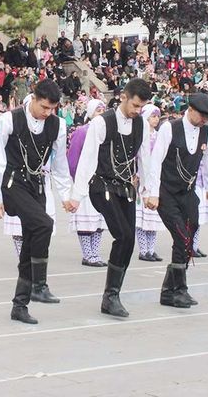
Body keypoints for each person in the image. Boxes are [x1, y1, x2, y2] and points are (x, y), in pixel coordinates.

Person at [0, 79, 74, 325]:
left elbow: (59, 164)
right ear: (33, 98)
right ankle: (40, 284)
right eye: (44, 107)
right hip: (13, 184)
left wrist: (65, 195)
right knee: (44, 225)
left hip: (37, 186)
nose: (47, 113)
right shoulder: (10, 119)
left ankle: (20, 305)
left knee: (30, 245)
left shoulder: (57, 125)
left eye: (52, 109)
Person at [70, 78, 153, 318]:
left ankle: (113, 293)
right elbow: (87, 159)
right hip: (102, 185)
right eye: (135, 105)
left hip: (126, 187)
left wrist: (149, 191)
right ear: (124, 97)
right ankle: (111, 296)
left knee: (129, 241)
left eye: (142, 107)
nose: (138, 111)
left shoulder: (142, 125)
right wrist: (77, 195)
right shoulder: (101, 122)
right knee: (124, 235)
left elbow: (144, 159)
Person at [145, 93, 208, 309]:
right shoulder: (170, 128)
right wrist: (152, 192)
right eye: (203, 116)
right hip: (167, 192)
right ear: (192, 110)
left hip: (188, 192)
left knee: (191, 231)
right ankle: (179, 289)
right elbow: (155, 160)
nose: (205, 120)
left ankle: (171, 290)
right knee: (181, 237)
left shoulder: (207, 131)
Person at [66, 98, 108, 267]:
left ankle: (95, 252)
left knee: (99, 220)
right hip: (85, 182)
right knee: (86, 220)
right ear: (91, 114)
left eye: (103, 111)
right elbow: (73, 159)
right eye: (98, 111)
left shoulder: (106, 131)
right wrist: (79, 179)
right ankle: (87, 254)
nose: (101, 114)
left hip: (102, 181)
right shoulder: (82, 132)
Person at [135, 104, 165, 262]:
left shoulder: (160, 136)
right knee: (141, 217)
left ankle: (151, 249)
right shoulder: (140, 135)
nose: (156, 119)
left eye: (157, 116)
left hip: (156, 179)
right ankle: (143, 249)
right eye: (153, 116)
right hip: (142, 178)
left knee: (153, 217)